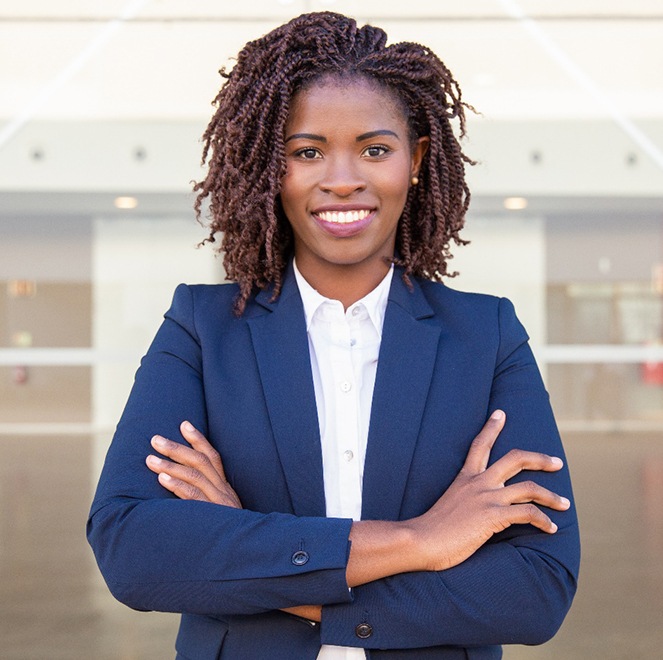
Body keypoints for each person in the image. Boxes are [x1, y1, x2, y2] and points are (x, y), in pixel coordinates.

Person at [87, 11, 580, 659]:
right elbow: (134, 549)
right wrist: (420, 541)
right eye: (306, 151)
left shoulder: (485, 335)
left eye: (374, 149)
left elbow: (535, 590)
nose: (341, 178)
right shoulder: (203, 329)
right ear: (272, 166)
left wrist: (242, 547)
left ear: (414, 160)